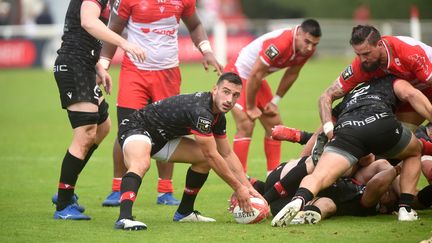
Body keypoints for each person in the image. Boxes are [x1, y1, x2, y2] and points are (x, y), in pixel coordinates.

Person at [99, 0, 224, 207]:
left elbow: (195, 25)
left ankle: (165, 190)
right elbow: (113, 30)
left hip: (168, 74)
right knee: (127, 128)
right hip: (135, 72)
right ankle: (117, 187)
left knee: (170, 131)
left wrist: (206, 50)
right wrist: (103, 66)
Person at [271, 75, 432, 227]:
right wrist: (396, 170)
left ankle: (295, 199)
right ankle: (405, 208)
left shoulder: (352, 94)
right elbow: (376, 178)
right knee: (409, 154)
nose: (386, 197)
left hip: (343, 144)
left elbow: (327, 131)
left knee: (319, 179)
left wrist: (300, 137)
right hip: (376, 132)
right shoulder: (375, 193)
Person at [114, 72, 263, 230]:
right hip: (137, 127)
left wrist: (249, 189)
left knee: (203, 160)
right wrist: (238, 188)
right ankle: (124, 218)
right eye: (226, 92)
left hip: (163, 139)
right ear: (215, 90)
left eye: (235, 95)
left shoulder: (218, 116)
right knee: (141, 163)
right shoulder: (201, 112)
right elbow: (212, 155)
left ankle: (184, 212)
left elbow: (227, 154)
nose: (229, 100)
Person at [51, 0, 145, 220]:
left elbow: (84, 35)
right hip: (73, 67)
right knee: (85, 134)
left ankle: (66, 190)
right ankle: (63, 204)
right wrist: (125, 43)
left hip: (84, 66)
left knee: (103, 127)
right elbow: (88, 22)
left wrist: (98, 66)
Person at [224, 19, 321, 174]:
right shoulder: (281, 43)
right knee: (246, 124)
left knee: (274, 126)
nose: (310, 47)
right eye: (307, 42)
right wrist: (250, 107)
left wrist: (275, 101)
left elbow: (292, 73)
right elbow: (255, 73)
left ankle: (273, 175)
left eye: (314, 44)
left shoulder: (306, 49)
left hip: (256, 78)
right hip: (236, 73)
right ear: (299, 33)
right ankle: (240, 182)